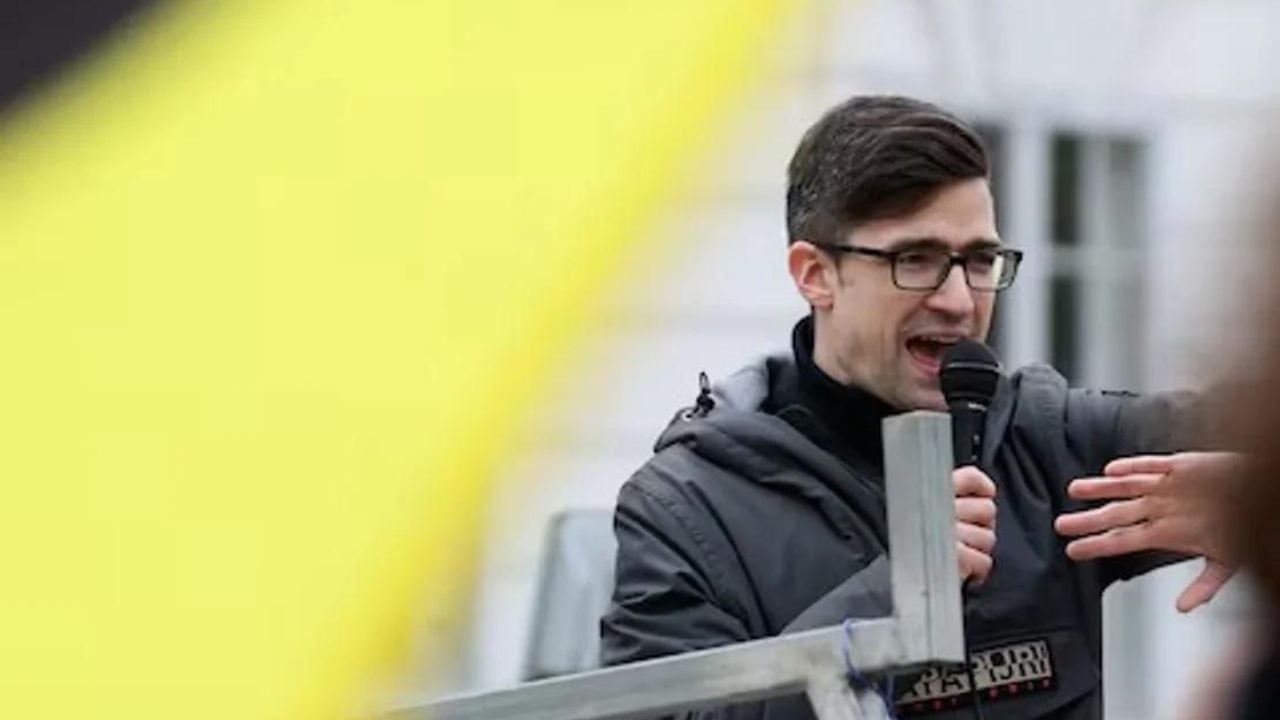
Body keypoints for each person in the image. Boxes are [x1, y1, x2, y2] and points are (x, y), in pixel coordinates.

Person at [598, 95, 1233, 720]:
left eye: (980, 260)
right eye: (917, 260)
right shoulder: (685, 510)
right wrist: (893, 601)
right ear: (814, 274)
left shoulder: (1045, 441)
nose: (959, 300)